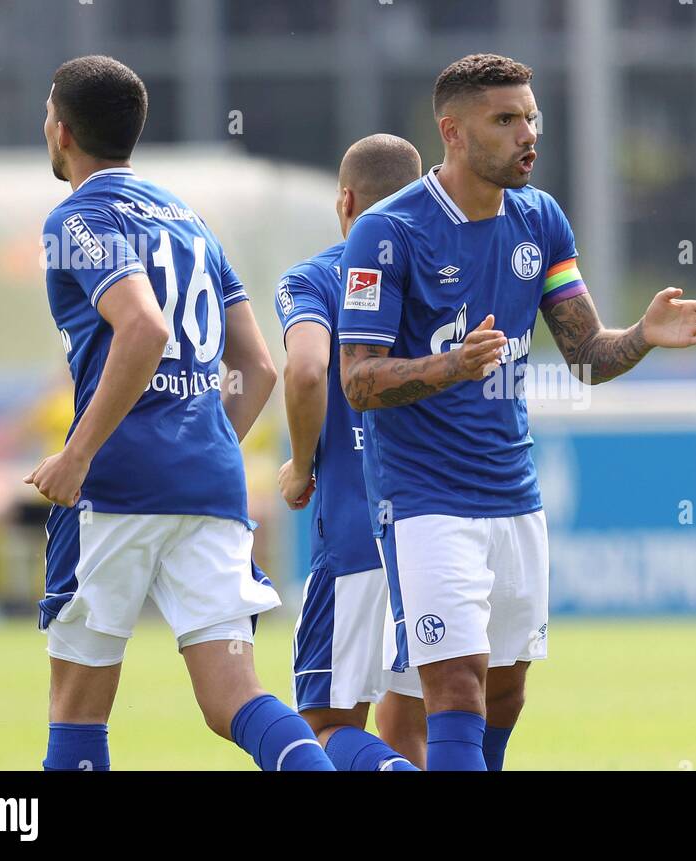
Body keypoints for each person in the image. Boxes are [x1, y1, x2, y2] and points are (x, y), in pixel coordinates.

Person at [337, 54, 696, 770]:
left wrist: (643, 335)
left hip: (513, 496)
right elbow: (357, 382)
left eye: (532, 117)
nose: (528, 134)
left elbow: (585, 354)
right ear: (452, 132)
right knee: (454, 686)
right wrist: (448, 366)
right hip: (424, 500)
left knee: (506, 690)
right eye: (507, 119)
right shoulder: (388, 232)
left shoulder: (539, 218)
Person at [28, 55, 333, 771]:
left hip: (115, 486)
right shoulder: (191, 221)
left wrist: (77, 454)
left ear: (62, 130)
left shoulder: (78, 217)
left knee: (78, 704)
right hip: (209, 483)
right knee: (234, 696)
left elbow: (144, 328)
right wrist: (198, 444)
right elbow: (259, 366)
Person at [275, 134, 427, 770]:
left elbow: (307, 371)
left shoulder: (316, 277)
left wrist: (302, 465)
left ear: (345, 201)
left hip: (355, 537)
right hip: (432, 536)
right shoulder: (442, 276)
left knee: (324, 729)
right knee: (410, 730)